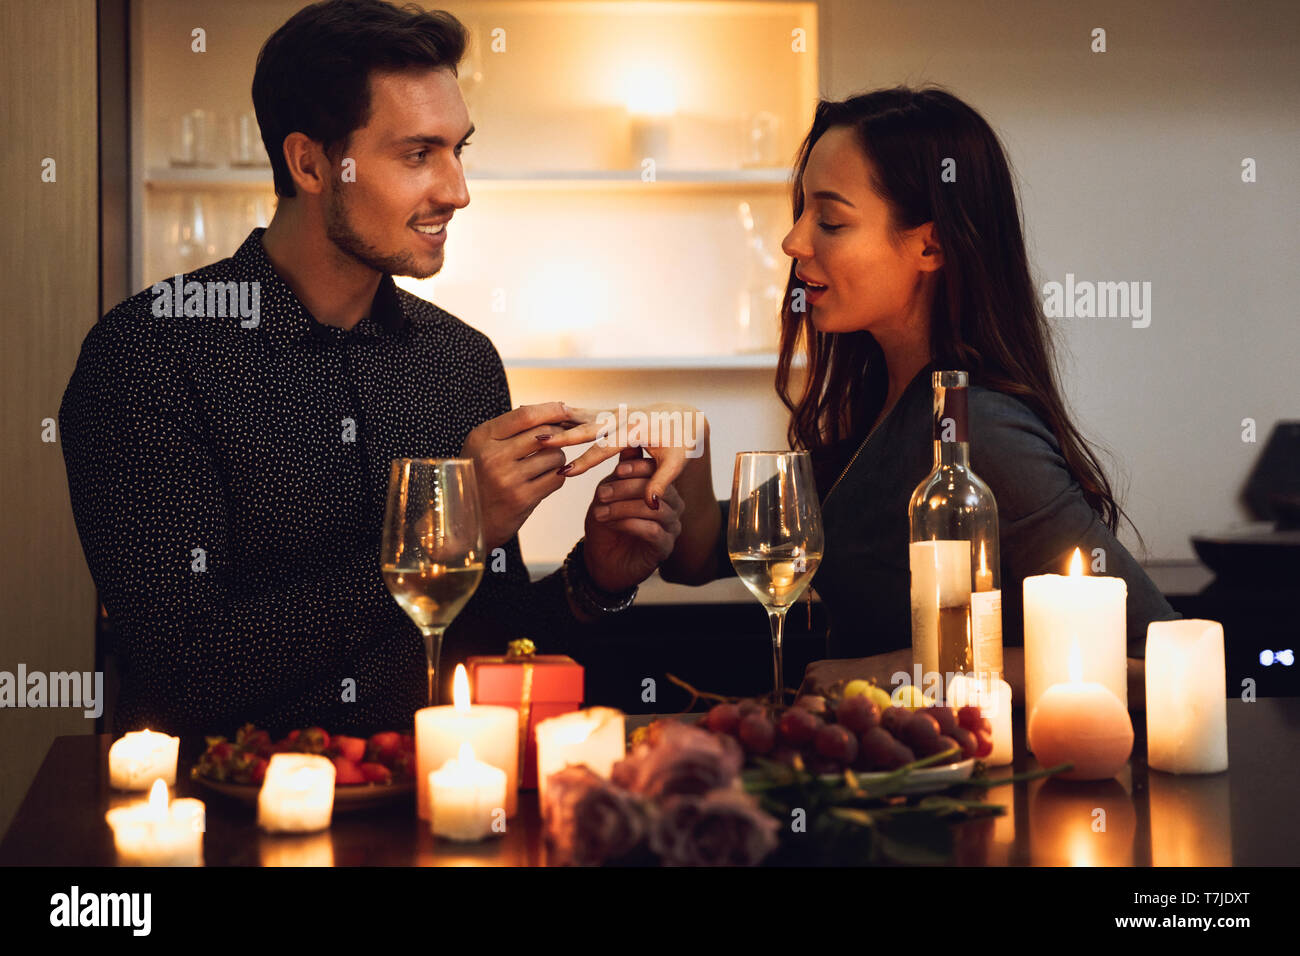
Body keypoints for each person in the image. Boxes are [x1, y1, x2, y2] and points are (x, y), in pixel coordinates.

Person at [58, 0, 683, 736]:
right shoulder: (149, 357)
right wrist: (441, 533)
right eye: (418, 154)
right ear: (310, 162)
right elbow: (187, 667)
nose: (456, 190)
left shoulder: (460, 361)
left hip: (432, 817)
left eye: (459, 150)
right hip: (224, 824)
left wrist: (596, 577)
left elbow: (483, 639)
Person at [647, 87, 1178, 694]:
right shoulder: (882, 411)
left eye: (830, 220)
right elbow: (702, 557)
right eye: (801, 214)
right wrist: (686, 442)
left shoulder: (982, 431)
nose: (794, 242)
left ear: (931, 245)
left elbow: (1154, 664)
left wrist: (902, 671)